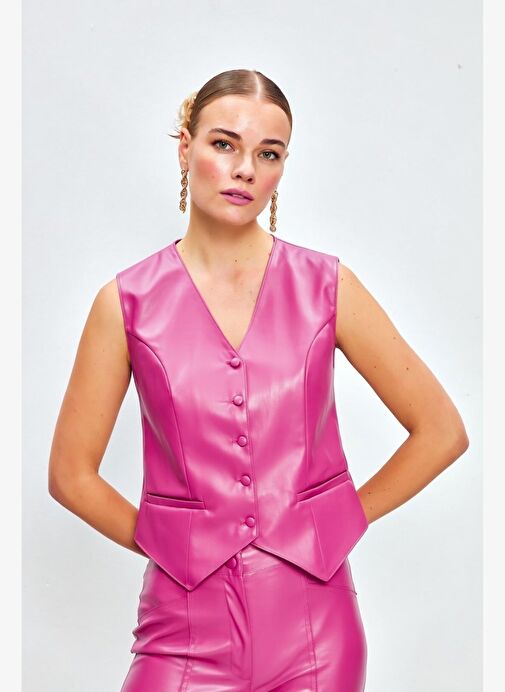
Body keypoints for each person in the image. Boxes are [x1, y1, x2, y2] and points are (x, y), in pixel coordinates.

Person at [48, 68, 469, 691]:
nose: (245, 169)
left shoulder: (327, 287)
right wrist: (170, 542)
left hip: (316, 634)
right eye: (224, 144)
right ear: (185, 147)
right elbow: (70, 475)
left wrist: (339, 519)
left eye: (268, 154)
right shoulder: (126, 303)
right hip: (181, 634)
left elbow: (441, 430)